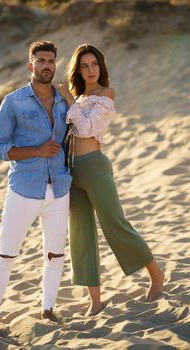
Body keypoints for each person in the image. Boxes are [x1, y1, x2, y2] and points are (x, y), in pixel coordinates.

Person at [57, 43, 164, 317]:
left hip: (95, 167)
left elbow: (88, 128)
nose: (90, 70)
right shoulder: (78, 97)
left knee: (115, 224)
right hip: (72, 170)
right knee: (80, 233)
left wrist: (68, 99)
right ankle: (95, 300)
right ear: (78, 70)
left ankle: (156, 274)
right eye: (84, 66)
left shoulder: (106, 94)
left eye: (94, 64)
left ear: (100, 67)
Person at [0, 40, 72, 335]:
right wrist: (36, 150)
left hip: (58, 188)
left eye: (51, 61)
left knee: (56, 254)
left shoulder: (63, 101)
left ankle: (48, 310)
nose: (47, 65)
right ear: (30, 66)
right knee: (6, 254)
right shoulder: (14, 101)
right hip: (24, 189)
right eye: (41, 60)